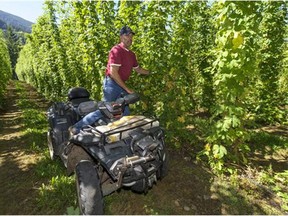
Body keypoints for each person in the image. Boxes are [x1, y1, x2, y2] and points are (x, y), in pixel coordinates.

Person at [69, 26, 149, 135]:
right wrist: (127, 89)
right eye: (127, 35)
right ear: (121, 37)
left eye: (131, 36)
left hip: (121, 84)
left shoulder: (131, 54)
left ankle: (123, 137)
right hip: (112, 84)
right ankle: (76, 127)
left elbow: (138, 69)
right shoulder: (116, 50)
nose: (129, 38)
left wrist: (151, 72)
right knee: (105, 110)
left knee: (125, 111)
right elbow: (113, 73)